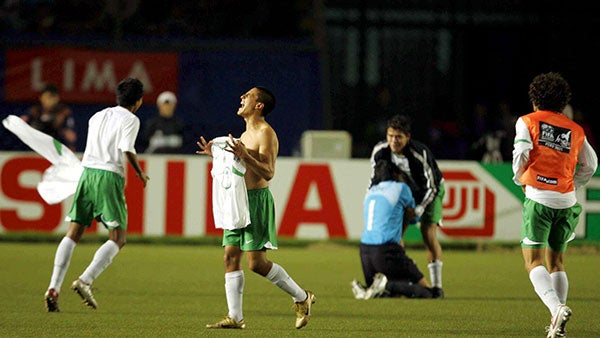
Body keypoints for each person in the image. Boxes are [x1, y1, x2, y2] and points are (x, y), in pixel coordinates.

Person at [196, 86, 315, 330]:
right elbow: (239, 166)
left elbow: (268, 172)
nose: (241, 97)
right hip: (237, 200)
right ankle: (235, 317)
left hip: (256, 202)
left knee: (256, 264)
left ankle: (302, 297)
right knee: (230, 257)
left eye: (248, 96)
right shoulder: (244, 133)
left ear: (259, 105)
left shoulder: (266, 133)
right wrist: (217, 156)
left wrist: (245, 155)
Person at [43, 77, 149, 312]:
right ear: (139, 101)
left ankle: (53, 287)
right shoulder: (131, 119)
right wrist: (139, 172)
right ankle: (86, 280)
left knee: (73, 232)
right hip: (108, 176)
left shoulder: (97, 116)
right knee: (118, 237)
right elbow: (127, 148)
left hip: (87, 173)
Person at [512, 72, 597, 338]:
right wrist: (572, 184)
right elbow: (591, 165)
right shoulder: (576, 129)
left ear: (535, 100)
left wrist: (520, 180)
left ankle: (557, 308)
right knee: (557, 263)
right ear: (563, 103)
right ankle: (556, 324)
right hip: (567, 201)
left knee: (533, 262)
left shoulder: (527, 121)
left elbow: (521, 153)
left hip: (538, 198)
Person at [369, 114, 445, 298]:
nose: (393, 141)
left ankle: (437, 287)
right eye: (390, 136)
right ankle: (401, 281)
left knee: (428, 234)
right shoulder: (380, 150)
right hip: (402, 192)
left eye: (398, 137)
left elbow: (432, 186)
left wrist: (419, 208)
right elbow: (374, 179)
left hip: (430, 192)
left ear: (408, 137)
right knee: (394, 238)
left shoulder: (420, 154)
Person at [351, 159, 435, 300]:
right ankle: (386, 286)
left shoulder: (370, 191)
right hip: (386, 250)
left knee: (387, 294)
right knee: (427, 293)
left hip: (365, 252)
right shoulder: (401, 188)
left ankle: (372, 287)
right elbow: (414, 218)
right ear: (396, 174)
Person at [21, 83, 77, 151]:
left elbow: (71, 136)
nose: (49, 100)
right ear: (41, 98)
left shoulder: (64, 112)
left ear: (57, 98)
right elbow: (20, 124)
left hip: (57, 149)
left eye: (52, 97)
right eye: (46, 97)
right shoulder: (34, 111)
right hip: (36, 148)